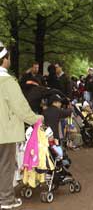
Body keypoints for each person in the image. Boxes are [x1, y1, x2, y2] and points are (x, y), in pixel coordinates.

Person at [0, 45, 43, 209]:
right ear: (4, 60)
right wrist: (36, 118)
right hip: (5, 131)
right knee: (5, 165)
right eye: (9, 58)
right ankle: (5, 200)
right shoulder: (8, 82)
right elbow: (20, 107)